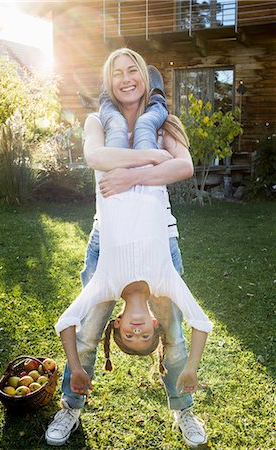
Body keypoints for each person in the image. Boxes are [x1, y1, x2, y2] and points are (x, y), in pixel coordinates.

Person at [46, 48, 210, 449]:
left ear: (143, 76)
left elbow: (183, 167)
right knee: (86, 332)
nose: (125, 78)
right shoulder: (98, 120)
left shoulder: (165, 123)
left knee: (172, 330)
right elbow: (95, 156)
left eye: (132, 69)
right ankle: (72, 404)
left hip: (161, 237)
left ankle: (182, 408)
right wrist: (149, 161)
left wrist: (126, 176)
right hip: (108, 239)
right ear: (109, 83)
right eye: (116, 73)